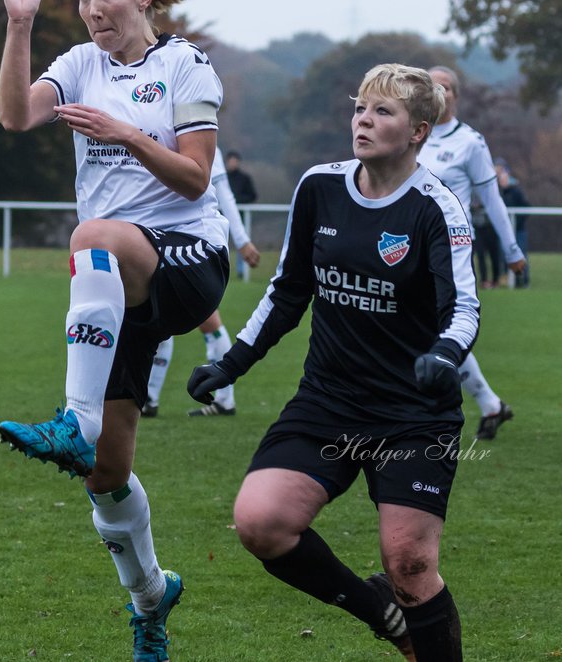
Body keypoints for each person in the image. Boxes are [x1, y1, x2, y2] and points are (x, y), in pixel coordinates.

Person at [185, 64, 476, 660]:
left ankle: (408, 610)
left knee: (411, 564)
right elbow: (288, 290)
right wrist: (232, 362)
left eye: (383, 112)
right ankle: (380, 613)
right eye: (361, 109)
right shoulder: (319, 186)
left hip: (412, 416)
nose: (364, 121)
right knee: (260, 522)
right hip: (329, 403)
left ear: (420, 131)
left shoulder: (434, 207)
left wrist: (445, 355)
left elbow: (464, 307)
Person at [0, 0, 230, 661]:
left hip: (190, 259)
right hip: (117, 279)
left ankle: (75, 418)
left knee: (90, 233)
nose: (95, 9)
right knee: (107, 474)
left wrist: (126, 134)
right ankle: (152, 600)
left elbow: (195, 179)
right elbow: (14, 117)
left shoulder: (185, 65)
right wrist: (19, 24)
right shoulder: (77, 65)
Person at [417, 66, 523, 441]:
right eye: (431, 86)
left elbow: (492, 199)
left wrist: (511, 251)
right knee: (430, 328)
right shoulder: (412, 133)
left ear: (455, 96)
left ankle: (438, 407)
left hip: (449, 247)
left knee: (436, 327)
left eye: (443, 87)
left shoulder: (469, 142)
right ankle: (490, 404)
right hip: (407, 245)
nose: (437, 92)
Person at [143, 146, 262, 418]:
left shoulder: (202, 138)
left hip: (193, 243)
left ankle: (224, 398)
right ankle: (148, 398)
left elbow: (224, 193)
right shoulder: (152, 126)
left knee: (207, 321)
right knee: (157, 317)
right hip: (155, 237)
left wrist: (242, 241)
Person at [495, 159, 531, 287]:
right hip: (505, 230)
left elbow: (526, 208)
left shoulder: (516, 191)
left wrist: (517, 222)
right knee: (504, 254)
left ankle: (523, 281)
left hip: (518, 229)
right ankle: (509, 280)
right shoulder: (497, 191)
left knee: (521, 254)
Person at [225, 150, 258, 277]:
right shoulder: (223, 178)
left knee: (241, 243)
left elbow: (252, 196)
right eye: (231, 161)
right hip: (223, 216)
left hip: (242, 217)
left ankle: (241, 271)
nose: (233, 163)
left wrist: (235, 201)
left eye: (235, 161)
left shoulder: (245, 178)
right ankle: (222, 268)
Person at [468, 198, 503, 288]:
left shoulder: (490, 187)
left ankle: (495, 280)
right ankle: (484, 280)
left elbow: (495, 203)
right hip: (477, 227)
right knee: (480, 254)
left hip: (490, 226)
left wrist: (482, 205)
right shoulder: (470, 189)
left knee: (494, 254)